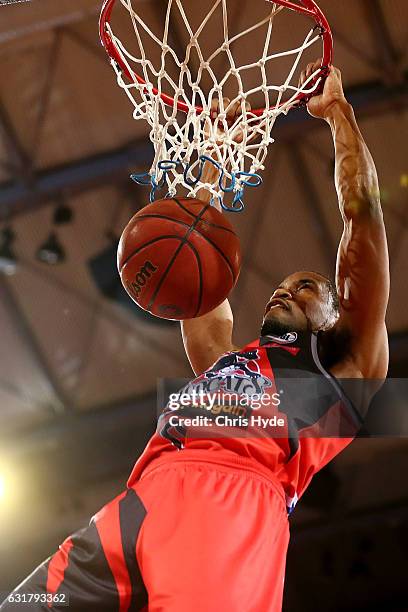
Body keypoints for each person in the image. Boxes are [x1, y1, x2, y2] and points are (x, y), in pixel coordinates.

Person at [0, 60, 389, 612]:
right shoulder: (227, 362)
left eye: (305, 287)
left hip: (233, 504)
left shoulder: (343, 377)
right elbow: (193, 270)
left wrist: (340, 119)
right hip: (146, 496)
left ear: (335, 316)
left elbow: (363, 219)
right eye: (281, 286)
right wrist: (215, 164)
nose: (285, 291)